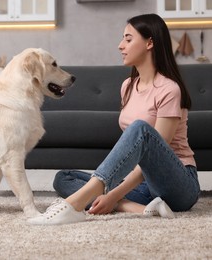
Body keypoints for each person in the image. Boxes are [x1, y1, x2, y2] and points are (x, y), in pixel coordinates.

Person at [28, 13, 200, 225]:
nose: (120, 45)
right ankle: (142, 209)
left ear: (150, 43)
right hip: (143, 185)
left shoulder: (169, 89)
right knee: (64, 177)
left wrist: (113, 194)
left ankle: (74, 205)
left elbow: (154, 149)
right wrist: (115, 195)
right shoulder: (127, 86)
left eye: (128, 39)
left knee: (141, 129)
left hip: (178, 184)